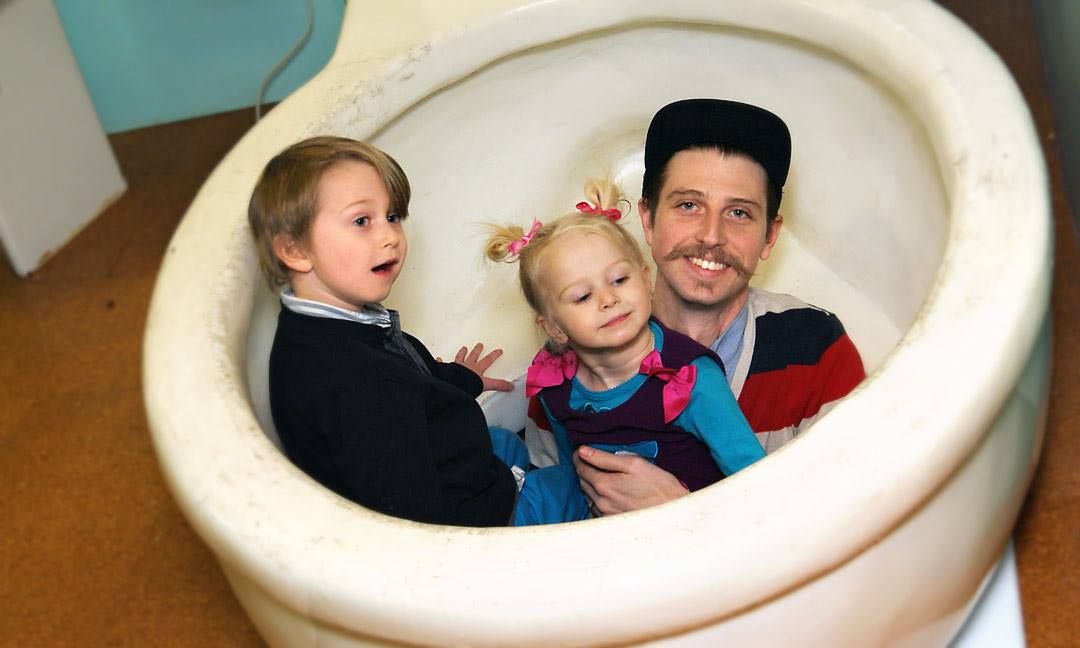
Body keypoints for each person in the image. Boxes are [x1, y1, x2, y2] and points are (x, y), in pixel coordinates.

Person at [248, 135, 587, 527]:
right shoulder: (359, 386)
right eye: (362, 221)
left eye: (392, 216)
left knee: (502, 441)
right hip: (482, 518)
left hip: (450, 458)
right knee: (579, 482)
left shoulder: (320, 326)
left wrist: (461, 379)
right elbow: (416, 522)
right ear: (294, 250)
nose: (390, 235)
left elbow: (407, 371)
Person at [561, 99, 867, 514]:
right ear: (648, 220)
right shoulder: (579, 351)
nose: (711, 235)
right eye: (688, 205)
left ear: (769, 236)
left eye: (739, 213)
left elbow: (850, 522)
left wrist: (682, 511)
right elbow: (549, 521)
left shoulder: (816, 349)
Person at [485, 179, 765, 496]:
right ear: (554, 328)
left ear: (646, 282)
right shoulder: (555, 384)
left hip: (700, 529)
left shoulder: (690, 379)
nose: (608, 299)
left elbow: (757, 483)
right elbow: (571, 476)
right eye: (582, 296)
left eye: (619, 279)